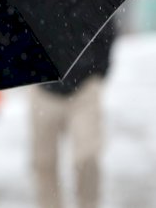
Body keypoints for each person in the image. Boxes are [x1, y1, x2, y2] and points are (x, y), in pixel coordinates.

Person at [30, 20, 118, 208]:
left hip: (85, 88)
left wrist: (100, 69)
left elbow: (108, 31)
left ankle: (88, 204)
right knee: (43, 161)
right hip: (44, 91)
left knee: (88, 157)